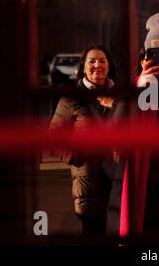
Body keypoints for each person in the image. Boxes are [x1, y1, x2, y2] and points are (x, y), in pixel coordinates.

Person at [120, 11, 159, 240]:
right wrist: (138, 90)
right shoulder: (137, 87)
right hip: (145, 186)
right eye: (153, 54)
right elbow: (116, 129)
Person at [49, 44, 125, 235]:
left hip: (119, 180)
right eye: (92, 61)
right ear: (83, 67)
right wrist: (78, 156)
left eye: (102, 60)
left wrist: (115, 104)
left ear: (109, 66)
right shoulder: (71, 99)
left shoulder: (122, 96)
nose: (97, 65)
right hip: (89, 183)